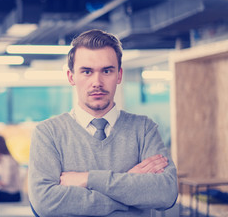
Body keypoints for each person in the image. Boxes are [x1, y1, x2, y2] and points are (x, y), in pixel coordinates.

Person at [28, 29, 178, 217]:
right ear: (71, 77)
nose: (97, 82)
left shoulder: (144, 129)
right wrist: (130, 190)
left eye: (106, 71)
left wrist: (88, 179)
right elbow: (45, 203)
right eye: (87, 72)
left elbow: (166, 193)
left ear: (119, 75)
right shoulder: (48, 133)